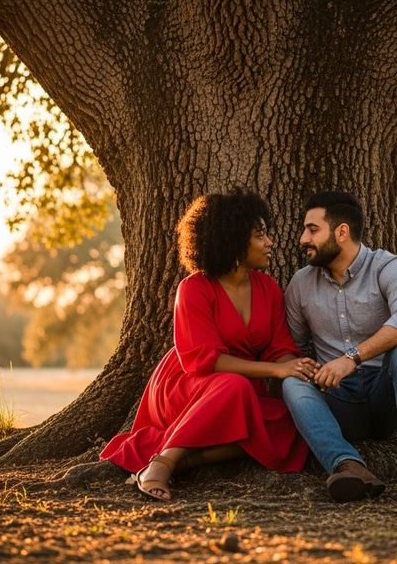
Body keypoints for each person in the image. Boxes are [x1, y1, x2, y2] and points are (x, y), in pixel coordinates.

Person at [100, 189, 318, 501]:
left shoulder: (268, 288)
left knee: (291, 422)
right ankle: (160, 465)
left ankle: (186, 460)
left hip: (241, 384)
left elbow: (279, 347)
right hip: (189, 383)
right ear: (233, 240)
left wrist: (294, 369)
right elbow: (206, 360)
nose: (270, 243)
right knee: (235, 387)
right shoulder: (194, 289)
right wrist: (275, 369)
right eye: (261, 235)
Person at [282, 191, 397, 504]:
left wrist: (350, 359)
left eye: (312, 230)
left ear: (342, 232)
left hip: (387, 398)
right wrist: (307, 369)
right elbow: (294, 349)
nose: (303, 239)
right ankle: (348, 466)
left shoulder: (387, 267)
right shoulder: (300, 284)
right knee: (291, 380)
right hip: (337, 403)